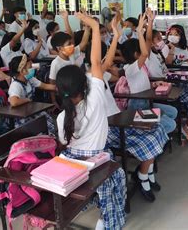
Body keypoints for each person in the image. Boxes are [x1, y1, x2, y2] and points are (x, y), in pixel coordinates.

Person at [55, 12, 126, 230]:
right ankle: (106, 220)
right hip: (95, 161)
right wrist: (95, 27)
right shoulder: (94, 100)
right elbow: (96, 61)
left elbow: (63, 143)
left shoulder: (61, 116)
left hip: (69, 160)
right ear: (84, 85)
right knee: (118, 178)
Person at [87, 17, 168, 202]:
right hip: (114, 126)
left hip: (123, 117)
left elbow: (108, 64)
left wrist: (116, 35)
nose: (105, 63)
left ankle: (145, 173)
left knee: (158, 126)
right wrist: (96, 30)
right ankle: (143, 176)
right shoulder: (89, 82)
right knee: (152, 137)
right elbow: (106, 63)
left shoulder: (102, 77)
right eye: (99, 62)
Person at [121, 12, 178, 134]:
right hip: (137, 106)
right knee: (171, 124)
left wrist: (150, 22)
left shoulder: (140, 65)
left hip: (146, 101)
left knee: (173, 112)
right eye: (140, 50)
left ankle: (152, 128)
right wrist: (140, 32)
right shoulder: (130, 68)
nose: (144, 51)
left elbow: (148, 40)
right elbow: (145, 52)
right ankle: (146, 132)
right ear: (136, 54)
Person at [7, 55, 56, 131]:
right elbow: (14, 102)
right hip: (22, 117)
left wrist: (60, 87)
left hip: (31, 111)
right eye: (30, 67)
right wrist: (27, 100)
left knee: (47, 120)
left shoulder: (30, 79)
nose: (32, 69)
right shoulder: (15, 85)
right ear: (22, 71)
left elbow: (45, 86)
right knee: (43, 125)